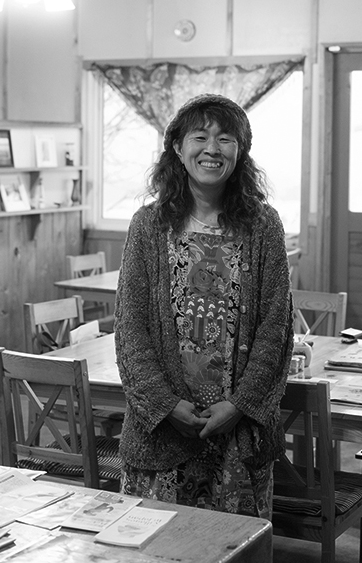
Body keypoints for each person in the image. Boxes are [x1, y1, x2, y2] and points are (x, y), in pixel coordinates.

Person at [114, 93, 294, 519]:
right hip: (162, 434)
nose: (212, 148)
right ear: (177, 148)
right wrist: (164, 405)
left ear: (240, 151)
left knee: (235, 546)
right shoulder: (149, 226)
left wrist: (239, 405)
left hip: (238, 435)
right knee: (156, 543)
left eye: (225, 138)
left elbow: (276, 327)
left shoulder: (263, 226)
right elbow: (130, 328)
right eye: (200, 136)